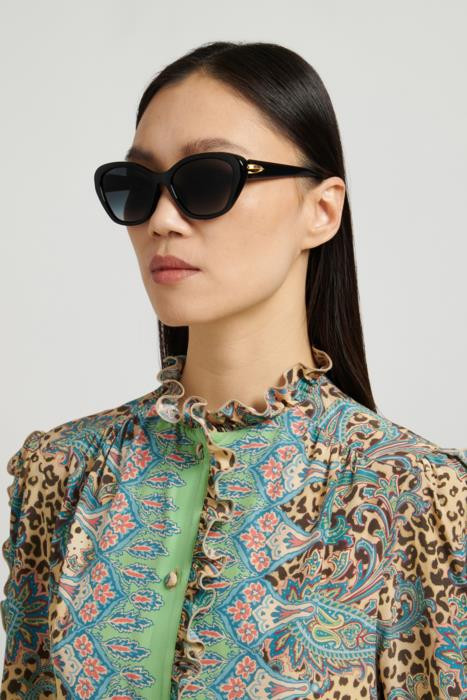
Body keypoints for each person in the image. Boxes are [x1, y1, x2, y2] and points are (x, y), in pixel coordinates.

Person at [1, 40, 465, 700]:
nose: (162, 220)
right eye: (138, 187)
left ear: (321, 210)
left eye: (207, 181)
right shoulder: (62, 474)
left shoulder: (412, 496)